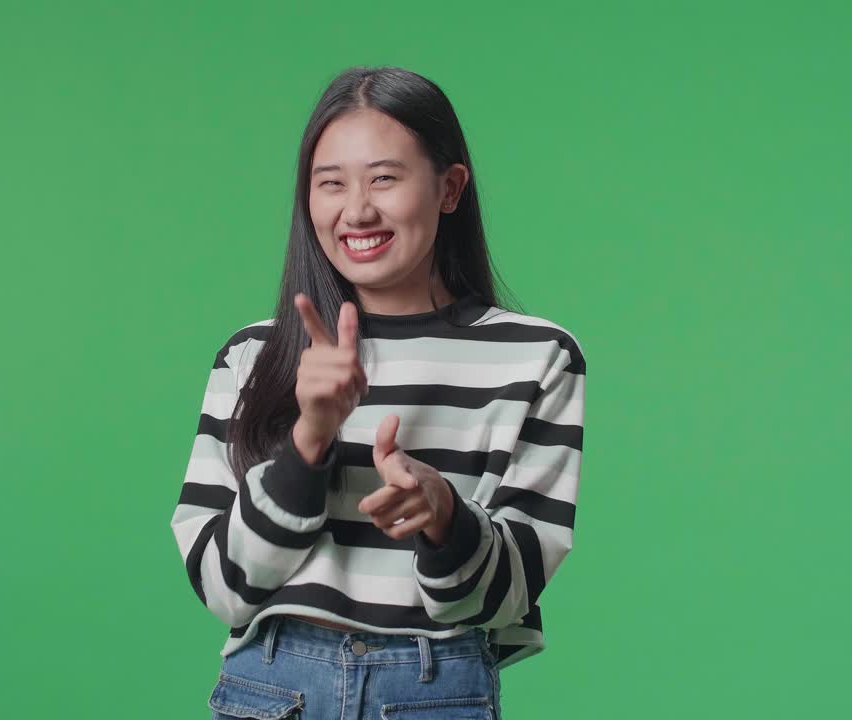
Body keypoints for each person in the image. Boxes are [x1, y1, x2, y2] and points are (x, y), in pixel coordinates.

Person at [170, 65, 586, 720]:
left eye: (384, 179)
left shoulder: (536, 358)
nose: (357, 209)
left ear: (450, 188)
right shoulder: (254, 356)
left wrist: (445, 514)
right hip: (273, 688)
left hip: (436, 688)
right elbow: (225, 588)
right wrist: (308, 440)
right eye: (330, 183)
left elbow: (512, 592)